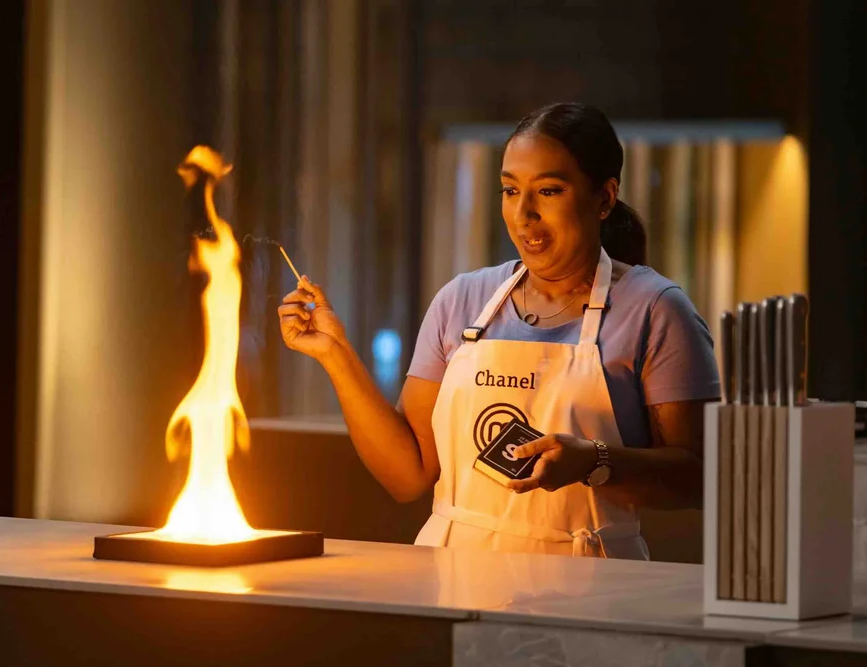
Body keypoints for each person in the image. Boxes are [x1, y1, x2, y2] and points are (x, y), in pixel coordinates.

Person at [277, 103, 720, 559]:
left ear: (604, 198)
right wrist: (335, 353)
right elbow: (408, 475)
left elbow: (699, 478)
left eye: (548, 191)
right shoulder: (462, 300)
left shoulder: (656, 309)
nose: (523, 215)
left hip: (591, 583)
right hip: (453, 573)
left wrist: (594, 460)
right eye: (510, 191)